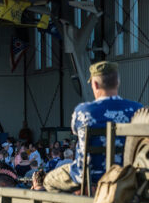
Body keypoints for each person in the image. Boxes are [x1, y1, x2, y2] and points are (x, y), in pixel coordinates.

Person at [47, 61, 143, 193]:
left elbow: (75, 131)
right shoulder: (137, 110)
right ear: (117, 82)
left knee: (49, 181)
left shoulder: (83, 111)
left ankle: (77, 202)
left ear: (95, 84)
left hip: (89, 176)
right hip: (127, 176)